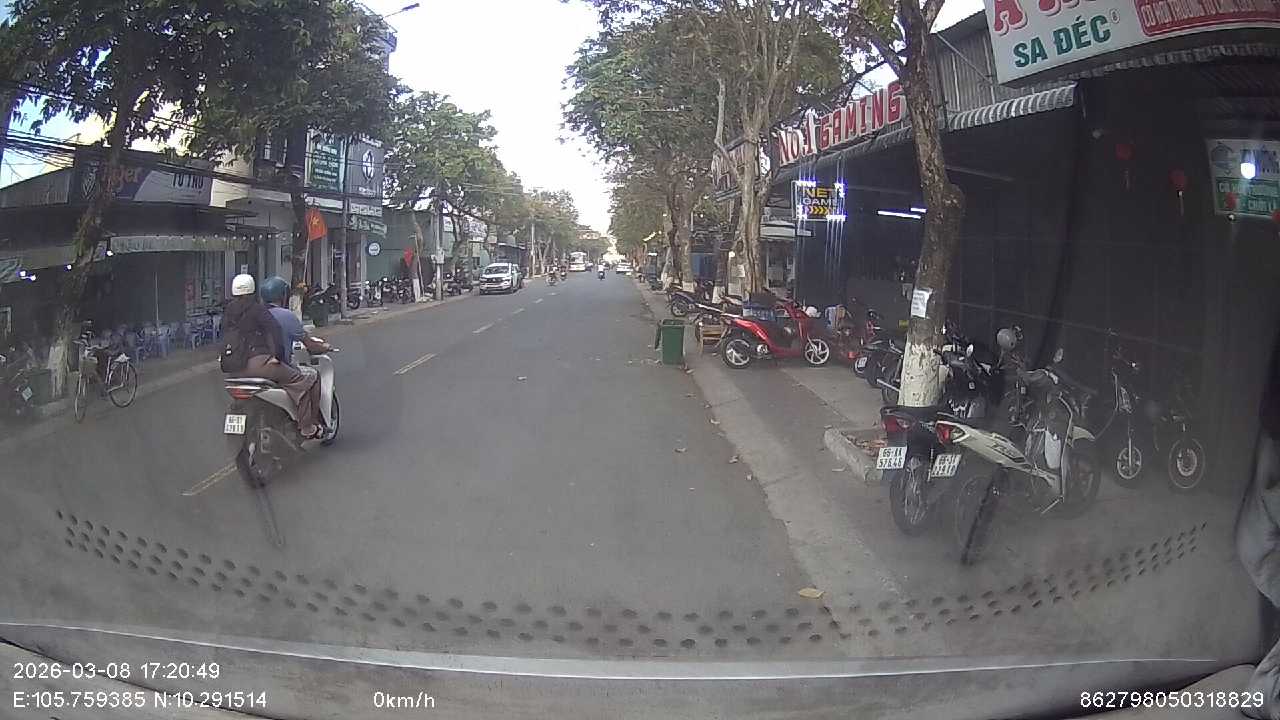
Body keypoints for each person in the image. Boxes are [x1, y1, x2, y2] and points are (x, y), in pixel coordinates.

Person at [222, 274, 323, 439]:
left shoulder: (228, 313)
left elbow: (224, 338)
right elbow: (274, 332)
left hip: (233, 369)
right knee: (303, 381)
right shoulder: (257, 310)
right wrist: (277, 357)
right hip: (259, 365)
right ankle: (307, 427)